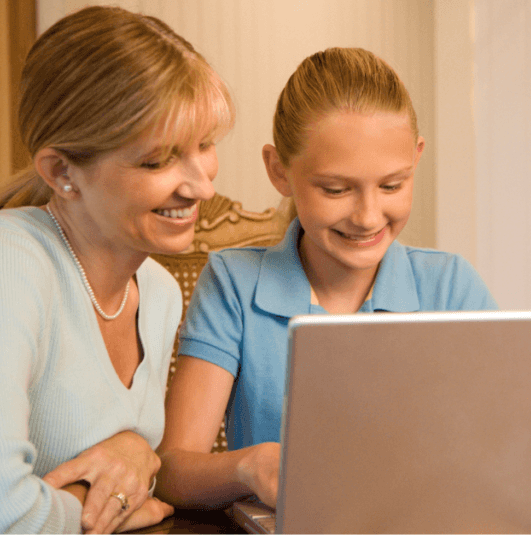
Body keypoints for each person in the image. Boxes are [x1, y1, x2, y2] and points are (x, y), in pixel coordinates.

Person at [0, 6, 232, 533]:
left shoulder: (159, 291)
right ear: (61, 172)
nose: (202, 186)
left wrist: (134, 454)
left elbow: (115, 469)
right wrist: (102, 504)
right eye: (157, 161)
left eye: (204, 145)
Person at [155, 47, 498, 510]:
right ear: (280, 171)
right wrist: (250, 466)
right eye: (336, 190)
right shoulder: (233, 283)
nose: (368, 216)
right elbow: (173, 471)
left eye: (392, 185)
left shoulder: (451, 286)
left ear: (417, 157)